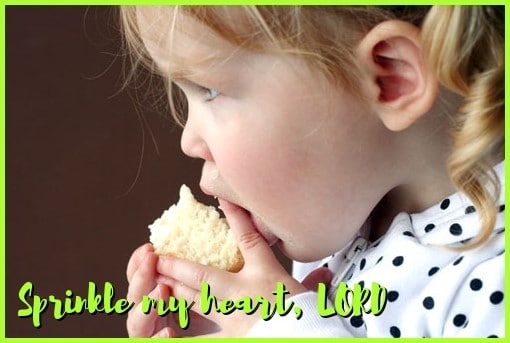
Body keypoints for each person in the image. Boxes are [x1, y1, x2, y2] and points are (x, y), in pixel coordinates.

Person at [120, 5, 504, 338]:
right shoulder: (343, 217)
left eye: (210, 90)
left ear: (390, 78)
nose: (189, 140)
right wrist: (228, 327)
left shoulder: (490, 286)